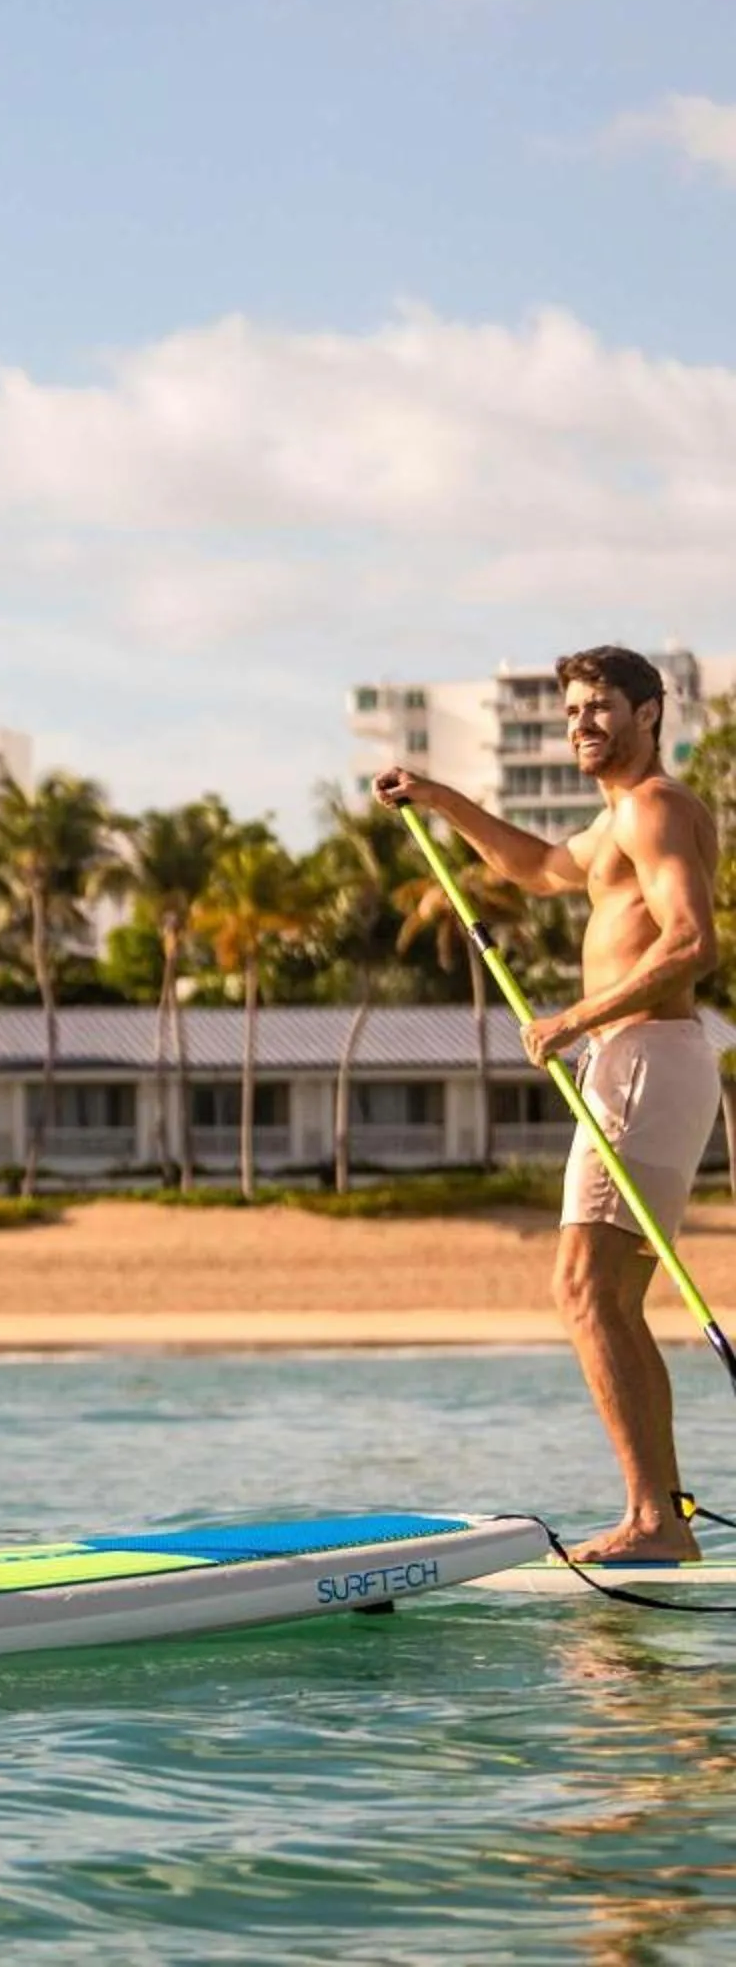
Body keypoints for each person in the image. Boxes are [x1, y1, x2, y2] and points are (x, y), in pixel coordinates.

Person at [377, 644, 723, 1563]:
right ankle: (664, 1519)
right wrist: (439, 799)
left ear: (650, 712)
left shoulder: (654, 808)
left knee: (584, 1289)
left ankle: (655, 1522)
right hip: (640, 1060)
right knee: (606, 1296)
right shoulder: (617, 822)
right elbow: (533, 866)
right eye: (571, 711)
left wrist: (577, 1017)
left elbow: (692, 944)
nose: (581, 724)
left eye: (600, 706)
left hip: (644, 1057)